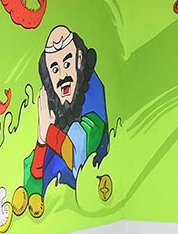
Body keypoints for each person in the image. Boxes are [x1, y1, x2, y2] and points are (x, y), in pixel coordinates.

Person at [13, 25, 109, 218]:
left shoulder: (92, 90)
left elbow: (79, 151)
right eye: (55, 69)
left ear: (79, 60)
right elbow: (39, 164)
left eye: (67, 63)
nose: (62, 76)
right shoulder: (55, 103)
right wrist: (42, 140)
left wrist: (48, 133)